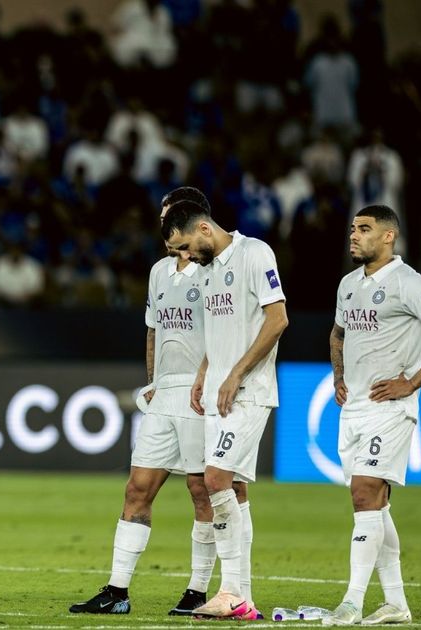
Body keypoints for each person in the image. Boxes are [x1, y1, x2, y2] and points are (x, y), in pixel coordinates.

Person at [69, 187, 216, 616]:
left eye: (169, 214)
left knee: (201, 490)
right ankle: (117, 591)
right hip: (164, 394)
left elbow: (225, 330)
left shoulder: (213, 270)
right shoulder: (158, 272)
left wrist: (207, 379)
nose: (162, 221)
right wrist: (152, 381)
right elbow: (153, 329)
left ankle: (197, 591)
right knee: (137, 487)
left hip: (199, 393)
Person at [324, 205, 421, 626]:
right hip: (354, 410)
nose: (354, 235)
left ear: (389, 236)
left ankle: (352, 602)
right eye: (353, 228)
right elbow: (338, 333)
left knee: (365, 492)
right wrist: (339, 376)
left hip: (391, 409)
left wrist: (412, 383)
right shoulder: (348, 284)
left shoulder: (409, 282)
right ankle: (396, 603)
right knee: (377, 506)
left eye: (365, 229)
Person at [161, 199, 290, 619]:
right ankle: (242, 598)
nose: (185, 257)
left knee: (214, 479)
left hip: (248, 391)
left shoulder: (255, 253)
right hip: (218, 392)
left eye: (184, 247)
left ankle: (231, 590)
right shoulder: (208, 269)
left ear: (204, 228)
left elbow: (277, 320)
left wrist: (235, 373)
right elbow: (220, 330)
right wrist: (206, 371)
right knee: (232, 488)